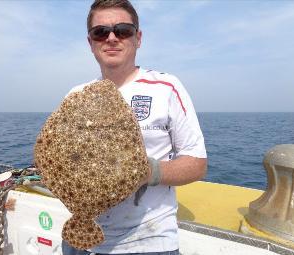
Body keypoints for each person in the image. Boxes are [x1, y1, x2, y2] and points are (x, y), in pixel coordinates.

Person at [63, 0, 207, 254]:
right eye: (100, 32)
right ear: (90, 43)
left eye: (123, 30)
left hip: (149, 242)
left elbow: (197, 163)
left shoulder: (167, 87)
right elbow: (55, 156)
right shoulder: (77, 95)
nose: (111, 38)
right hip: (79, 243)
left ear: (137, 38)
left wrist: (145, 171)